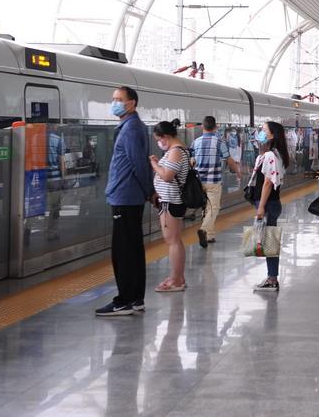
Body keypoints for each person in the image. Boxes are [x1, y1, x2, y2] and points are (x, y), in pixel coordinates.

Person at [97, 86, 153, 317]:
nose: (115, 103)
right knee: (133, 248)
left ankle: (125, 300)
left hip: (125, 196)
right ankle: (135, 298)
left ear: (132, 103)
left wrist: (149, 191)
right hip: (128, 195)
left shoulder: (130, 129)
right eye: (113, 99)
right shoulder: (133, 126)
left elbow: (138, 163)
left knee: (123, 251)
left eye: (119, 99)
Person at [248, 121, 290, 292]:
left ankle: (272, 279)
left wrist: (261, 207)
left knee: (269, 242)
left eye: (264, 130)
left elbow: (267, 183)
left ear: (272, 135)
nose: (261, 132)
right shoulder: (275, 153)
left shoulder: (271, 155)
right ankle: (271, 277)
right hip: (271, 203)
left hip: (268, 203)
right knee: (269, 240)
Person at [150, 120, 190, 292]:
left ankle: (176, 281)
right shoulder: (179, 150)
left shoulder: (175, 151)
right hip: (172, 201)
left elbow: (167, 176)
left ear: (166, 136)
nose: (159, 143)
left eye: (159, 140)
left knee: (172, 241)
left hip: (170, 201)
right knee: (176, 240)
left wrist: (154, 164)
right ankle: (178, 276)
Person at [192, 116, 238, 248]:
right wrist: (237, 171)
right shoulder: (219, 142)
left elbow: (191, 161)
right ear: (216, 127)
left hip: (198, 182)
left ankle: (210, 235)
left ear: (202, 126)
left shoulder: (195, 142)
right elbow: (228, 159)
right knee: (213, 207)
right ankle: (203, 229)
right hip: (213, 181)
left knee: (206, 207)